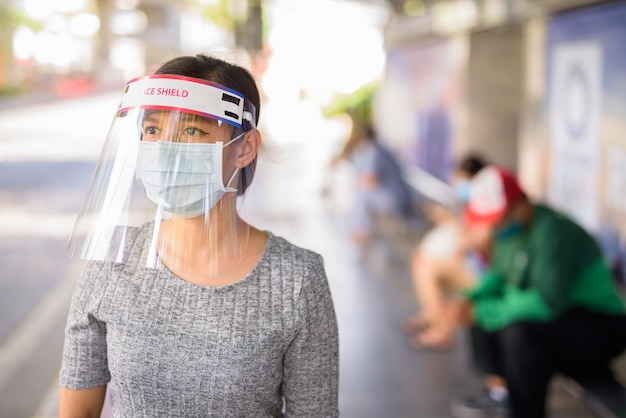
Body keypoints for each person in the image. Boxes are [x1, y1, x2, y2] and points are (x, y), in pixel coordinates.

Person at [59, 54, 339, 417]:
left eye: (192, 130)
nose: (163, 148)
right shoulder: (112, 259)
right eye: (152, 129)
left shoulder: (297, 280)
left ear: (245, 148)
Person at [448, 165, 626, 418]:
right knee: (486, 312)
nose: (494, 229)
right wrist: (469, 301)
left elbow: (547, 301)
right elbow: (500, 276)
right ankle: (500, 392)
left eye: (497, 220)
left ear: (520, 207)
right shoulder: (512, 233)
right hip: (567, 318)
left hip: (603, 324)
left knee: (520, 334)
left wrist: (481, 310)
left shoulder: (553, 231)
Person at [403, 153, 490, 350]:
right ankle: (432, 315)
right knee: (425, 264)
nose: (457, 183)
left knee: (429, 269)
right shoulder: (472, 204)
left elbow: (476, 240)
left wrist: (450, 222)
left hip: (483, 273)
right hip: (472, 266)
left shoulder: (486, 205)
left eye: (461, 178)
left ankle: (440, 329)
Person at [329, 111, 416, 245]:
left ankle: (361, 230)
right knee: (361, 191)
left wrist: (358, 180)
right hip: (393, 196)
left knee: (363, 193)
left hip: (397, 199)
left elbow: (370, 180)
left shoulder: (374, 151)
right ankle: (360, 228)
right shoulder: (368, 150)